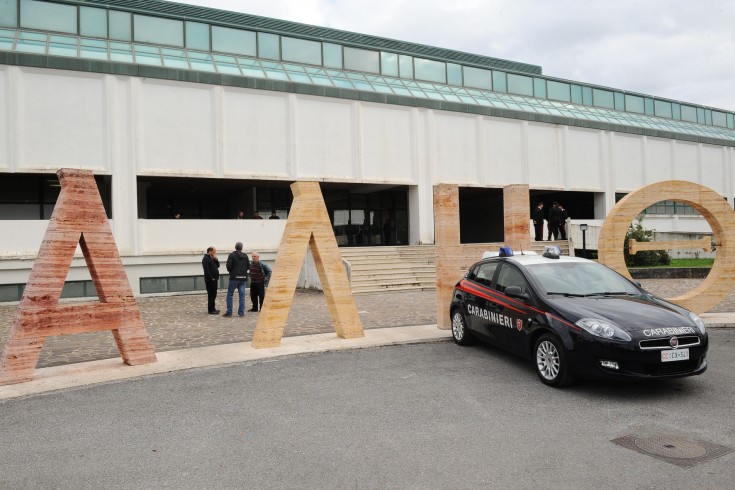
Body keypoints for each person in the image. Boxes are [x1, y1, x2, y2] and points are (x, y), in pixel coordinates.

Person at [224, 242, 250, 317]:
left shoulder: (231, 255)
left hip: (234, 278)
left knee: (230, 294)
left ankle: (229, 312)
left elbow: (229, 265)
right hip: (243, 278)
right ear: (241, 248)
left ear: (235, 247)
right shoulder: (245, 256)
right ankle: (241, 313)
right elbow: (248, 266)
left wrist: (231, 272)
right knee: (242, 295)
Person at [201, 246, 220, 315]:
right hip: (210, 280)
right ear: (210, 252)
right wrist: (212, 278)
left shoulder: (212, 258)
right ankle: (210, 310)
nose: (215, 253)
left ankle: (213, 308)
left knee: (214, 294)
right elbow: (207, 270)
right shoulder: (206, 259)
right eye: (214, 252)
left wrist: (216, 259)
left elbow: (218, 266)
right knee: (211, 295)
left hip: (215, 279)